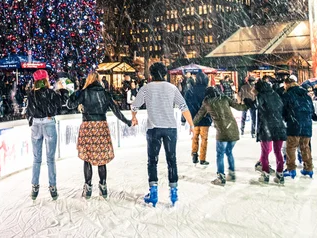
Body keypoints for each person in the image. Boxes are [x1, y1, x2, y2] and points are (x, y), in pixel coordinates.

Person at [131, 62, 194, 207]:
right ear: (164, 74)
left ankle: (153, 194)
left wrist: (134, 116)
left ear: (151, 74)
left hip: (154, 129)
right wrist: (191, 124)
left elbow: (134, 105)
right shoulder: (172, 88)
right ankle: (173, 193)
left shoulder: (146, 89)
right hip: (170, 128)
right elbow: (183, 107)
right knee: (172, 160)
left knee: (152, 161)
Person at [75, 71, 134, 200]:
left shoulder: (84, 93)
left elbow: (69, 104)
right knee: (102, 158)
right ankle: (103, 185)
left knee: (88, 158)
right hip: (101, 127)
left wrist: (78, 92)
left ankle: (88, 187)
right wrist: (127, 122)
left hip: (88, 126)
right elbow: (116, 111)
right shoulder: (105, 94)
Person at [193, 86, 249, 185]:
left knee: (220, 154)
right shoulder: (224, 98)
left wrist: (190, 122)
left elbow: (199, 115)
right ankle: (231, 173)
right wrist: (248, 104)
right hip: (233, 129)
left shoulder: (207, 102)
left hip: (222, 132)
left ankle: (221, 177)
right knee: (229, 152)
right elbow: (239, 107)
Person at [26, 69, 63, 200]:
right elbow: (60, 106)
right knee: (50, 159)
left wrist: (32, 122)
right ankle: (52, 187)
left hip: (36, 125)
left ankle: (35, 187)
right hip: (48, 123)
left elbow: (28, 111)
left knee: (36, 159)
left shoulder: (31, 95)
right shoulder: (51, 93)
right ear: (46, 80)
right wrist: (62, 90)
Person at [253, 79, 287, 184]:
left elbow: (256, 106)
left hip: (266, 127)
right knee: (278, 152)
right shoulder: (276, 95)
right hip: (279, 126)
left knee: (265, 153)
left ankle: (265, 174)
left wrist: (249, 102)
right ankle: (280, 174)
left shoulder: (261, 96)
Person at [281, 78, 316, 179]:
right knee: (305, 147)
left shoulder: (287, 95)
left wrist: (286, 118)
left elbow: (283, 110)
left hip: (294, 124)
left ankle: (291, 169)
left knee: (291, 147)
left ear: (287, 84)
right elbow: (312, 111)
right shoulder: (306, 96)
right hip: (307, 125)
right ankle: (309, 169)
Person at [185, 72, 211, 165]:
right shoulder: (207, 90)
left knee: (195, 137)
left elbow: (186, 102)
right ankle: (202, 158)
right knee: (204, 138)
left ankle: (194, 154)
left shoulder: (191, 90)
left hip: (194, 118)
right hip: (205, 117)